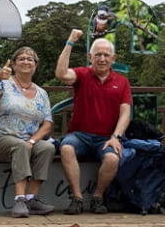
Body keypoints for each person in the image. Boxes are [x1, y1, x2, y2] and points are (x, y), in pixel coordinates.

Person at [55, 29, 132, 215]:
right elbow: (61, 73)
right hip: (79, 136)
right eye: (98, 54)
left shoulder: (122, 82)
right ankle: (77, 198)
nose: (102, 58)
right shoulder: (82, 75)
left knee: (113, 157)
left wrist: (116, 137)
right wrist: (70, 41)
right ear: (90, 57)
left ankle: (98, 197)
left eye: (106, 55)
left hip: (106, 138)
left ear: (113, 58)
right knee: (66, 148)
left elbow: (125, 114)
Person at [0, 47, 56, 218]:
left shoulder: (42, 93)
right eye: (21, 58)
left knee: (46, 148)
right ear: (14, 64)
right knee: (20, 146)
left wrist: (33, 141)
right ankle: (19, 199)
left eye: (30, 59)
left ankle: (32, 198)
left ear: (35, 65)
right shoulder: (4, 84)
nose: (26, 61)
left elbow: (47, 123)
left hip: (24, 141)